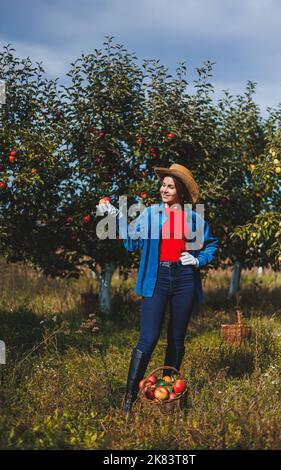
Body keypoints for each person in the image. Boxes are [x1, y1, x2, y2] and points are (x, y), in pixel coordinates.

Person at [97, 163, 219, 412]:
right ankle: (129, 398)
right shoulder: (151, 214)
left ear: (181, 191)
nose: (164, 189)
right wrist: (117, 216)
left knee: (176, 339)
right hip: (157, 278)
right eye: (163, 184)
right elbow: (132, 243)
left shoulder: (194, 219)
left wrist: (198, 260)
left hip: (185, 278)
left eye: (170, 186)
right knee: (148, 338)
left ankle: (167, 395)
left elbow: (211, 245)